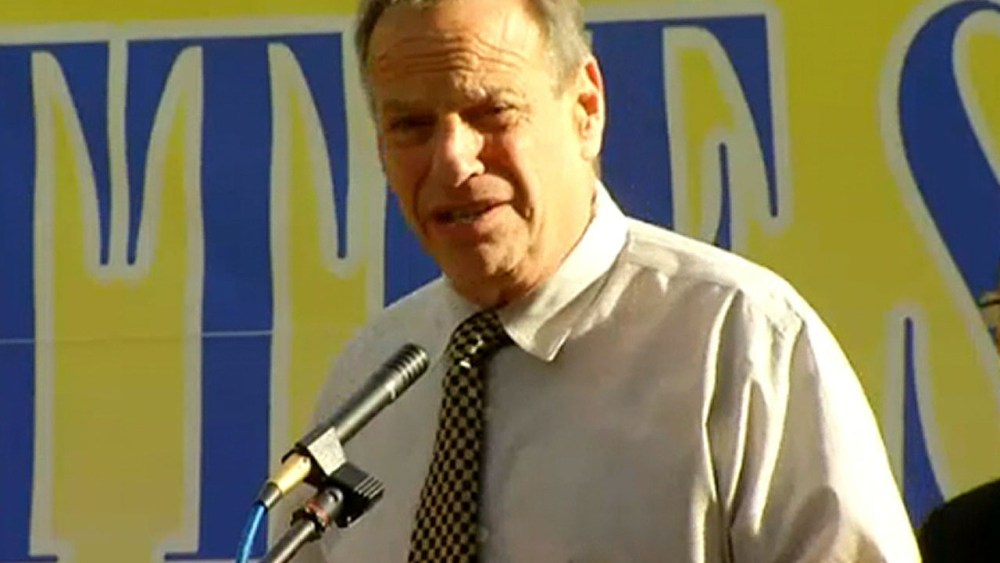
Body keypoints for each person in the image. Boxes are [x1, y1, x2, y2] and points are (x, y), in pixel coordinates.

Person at [276, 0, 919, 560]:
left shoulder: (740, 339)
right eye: (411, 126)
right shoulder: (368, 380)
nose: (452, 159)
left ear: (586, 108)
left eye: (492, 111)